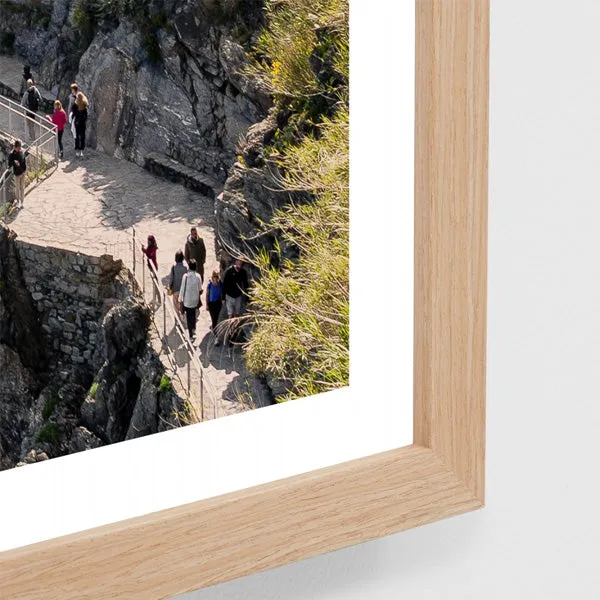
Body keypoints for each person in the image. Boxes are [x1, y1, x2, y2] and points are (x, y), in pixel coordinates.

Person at [180, 259, 203, 342]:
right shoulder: (198, 276)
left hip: (186, 300)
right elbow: (200, 288)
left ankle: (190, 335)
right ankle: (194, 330)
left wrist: (180, 300)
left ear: (189, 267)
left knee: (189, 317)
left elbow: (182, 289)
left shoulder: (185, 276)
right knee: (193, 315)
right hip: (195, 300)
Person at [167, 250, 188, 319]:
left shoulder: (174, 267)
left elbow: (171, 278)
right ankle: (183, 314)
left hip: (175, 289)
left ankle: (177, 318)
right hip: (184, 289)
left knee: (175, 304)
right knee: (182, 302)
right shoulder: (186, 267)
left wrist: (169, 286)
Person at [205, 269, 224, 345]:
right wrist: (206, 304)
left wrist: (223, 300)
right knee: (214, 319)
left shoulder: (221, 284)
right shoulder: (210, 284)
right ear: (212, 277)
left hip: (218, 303)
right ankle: (216, 337)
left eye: (216, 276)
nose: (215, 278)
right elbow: (207, 295)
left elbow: (223, 292)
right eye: (214, 276)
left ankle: (215, 333)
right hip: (211, 304)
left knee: (216, 319)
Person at [8, 140, 27, 209]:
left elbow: (24, 161)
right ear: (15, 147)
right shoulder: (12, 154)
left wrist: (24, 170)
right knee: (17, 188)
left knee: (22, 188)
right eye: (19, 148)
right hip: (17, 174)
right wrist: (14, 162)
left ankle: (22, 202)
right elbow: (9, 164)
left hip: (23, 172)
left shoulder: (21, 152)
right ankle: (18, 202)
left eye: (20, 147)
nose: (20, 149)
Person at [71, 91, 88, 157]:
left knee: (77, 136)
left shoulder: (75, 105)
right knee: (82, 136)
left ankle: (77, 150)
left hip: (77, 122)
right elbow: (86, 115)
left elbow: (74, 113)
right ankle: (82, 150)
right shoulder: (84, 105)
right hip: (82, 123)